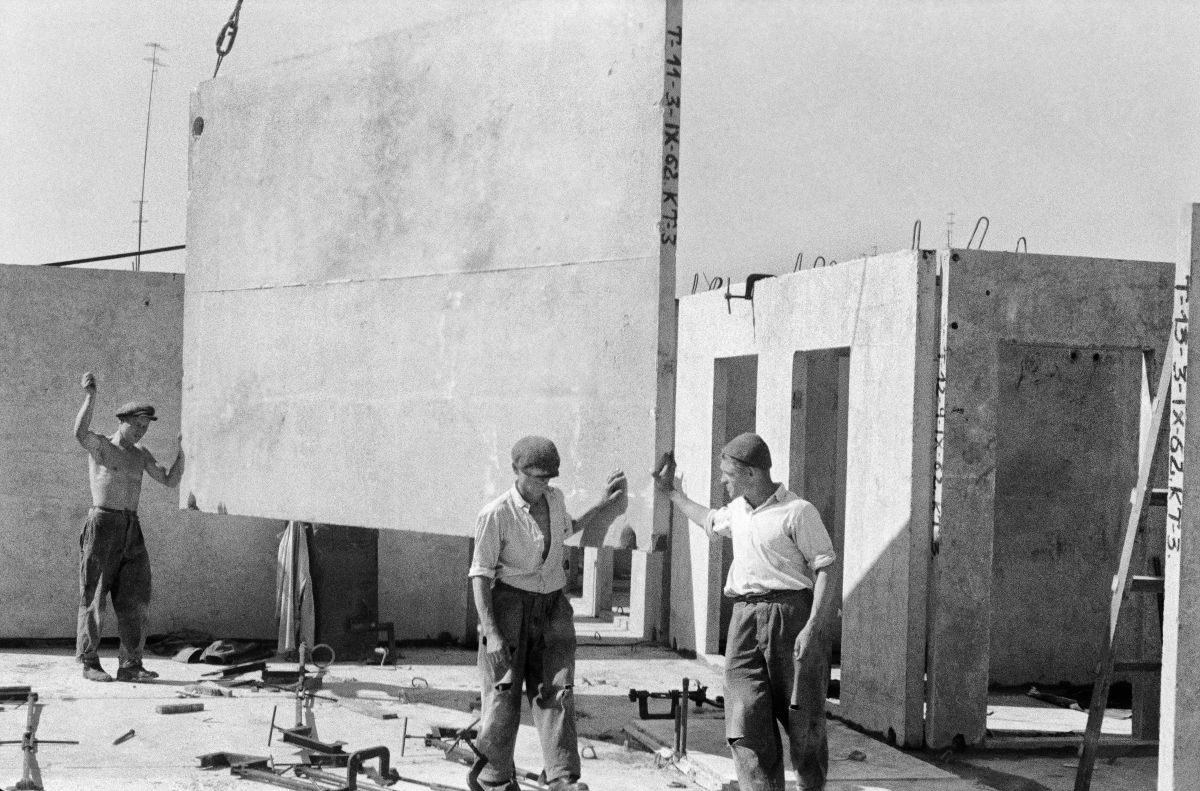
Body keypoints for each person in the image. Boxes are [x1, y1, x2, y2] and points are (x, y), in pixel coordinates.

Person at [652, 433, 836, 791]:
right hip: (744, 620)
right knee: (745, 718)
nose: (722, 481)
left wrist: (813, 626)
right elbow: (708, 519)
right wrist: (672, 493)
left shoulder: (798, 511)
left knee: (804, 720)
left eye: (727, 474)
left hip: (791, 617)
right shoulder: (737, 511)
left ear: (751, 473)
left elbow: (826, 567)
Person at [468, 436, 628, 791]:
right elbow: (480, 574)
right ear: (516, 471)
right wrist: (492, 632)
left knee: (558, 691)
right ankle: (494, 778)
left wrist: (603, 505)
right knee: (502, 693)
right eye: (537, 477)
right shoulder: (496, 514)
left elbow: (567, 529)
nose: (544, 484)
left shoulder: (554, 500)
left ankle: (562, 778)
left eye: (549, 478)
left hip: (553, 606)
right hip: (509, 607)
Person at [73, 372, 184, 682]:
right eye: (136, 425)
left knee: (135, 596)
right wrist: (91, 396)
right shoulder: (103, 447)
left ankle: (131, 664)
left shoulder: (141, 455)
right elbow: (79, 433)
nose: (140, 431)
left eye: (145, 427)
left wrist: (183, 451)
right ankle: (90, 662)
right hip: (103, 523)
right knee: (94, 593)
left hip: (131, 527)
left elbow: (169, 479)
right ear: (121, 421)